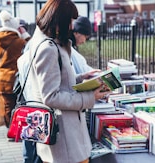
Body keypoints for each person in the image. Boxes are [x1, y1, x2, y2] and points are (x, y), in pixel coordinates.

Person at [17, 0, 111, 162]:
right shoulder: (48, 49)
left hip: (67, 137)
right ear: (60, 19)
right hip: (64, 139)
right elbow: (51, 96)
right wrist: (89, 97)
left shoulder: (52, 45)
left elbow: (58, 80)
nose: (72, 25)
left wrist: (83, 77)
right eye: (70, 20)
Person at [0, 10, 30, 128]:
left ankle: (10, 128)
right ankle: (13, 131)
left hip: (1, 79)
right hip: (15, 80)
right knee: (16, 105)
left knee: (7, 106)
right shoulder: (19, 42)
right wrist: (25, 35)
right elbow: (33, 48)